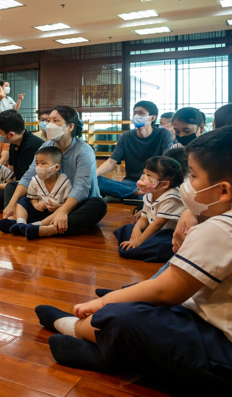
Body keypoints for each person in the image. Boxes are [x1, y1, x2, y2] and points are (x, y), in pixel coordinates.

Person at [33, 127, 232, 394]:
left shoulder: (220, 228)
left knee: (121, 316)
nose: (186, 183)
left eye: (193, 176)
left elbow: (167, 290)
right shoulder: (216, 221)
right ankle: (113, 333)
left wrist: (103, 302)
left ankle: (79, 331)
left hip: (222, 350)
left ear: (223, 191)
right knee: (145, 298)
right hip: (202, 315)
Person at [1, 106, 107, 237]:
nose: (49, 125)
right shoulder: (46, 146)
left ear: (70, 127)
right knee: (13, 186)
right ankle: (20, 221)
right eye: (48, 120)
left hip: (73, 205)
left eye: (55, 120)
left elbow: (81, 187)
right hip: (45, 204)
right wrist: (12, 204)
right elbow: (29, 175)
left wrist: (63, 210)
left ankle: (48, 229)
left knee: (98, 205)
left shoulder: (84, 151)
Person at [113, 156, 185, 262]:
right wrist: (136, 230)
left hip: (165, 233)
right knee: (128, 228)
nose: (143, 177)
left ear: (165, 183)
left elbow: (157, 224)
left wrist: (139, 241)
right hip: (151, 230)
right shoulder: (150, 194)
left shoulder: (172, 198)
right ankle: (135, 246)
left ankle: (135, 247)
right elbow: (143, 219)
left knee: (162, 244)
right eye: (144, 173)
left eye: (148, 175)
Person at [97, 101, 173, 199]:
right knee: (95, 180)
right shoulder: (126, 136)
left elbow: (167, 161)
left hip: (151, 182)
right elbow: (111, 161)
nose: (136, 116)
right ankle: (135, 193)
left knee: (115, 192)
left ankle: (124, 194)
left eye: (141, 113)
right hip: (130, 183)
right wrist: (94, 175)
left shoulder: (163, 134)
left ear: (152, 118)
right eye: (134, 113)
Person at [0, 146, 72, 239]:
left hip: (53, 215)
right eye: (37, 163)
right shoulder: (35, 180)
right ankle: (20, 223)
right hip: (38, 212)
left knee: (62, 212)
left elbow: (68, 205)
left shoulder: (65, 182)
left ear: (56, 167)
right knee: (22, 200)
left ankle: (36, 225)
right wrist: (35, 204)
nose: (38, 167)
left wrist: (57, 207)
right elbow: (33, 198)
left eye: (43, 163)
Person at [0, 110, 45, 206]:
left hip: (32, 188)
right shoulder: (13, 143)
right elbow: (11, 172)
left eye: (0, 132)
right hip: (18, 184)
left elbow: (27, 179)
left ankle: (10, 216)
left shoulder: (32, 146)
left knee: (0, 192)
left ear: (11, 135)